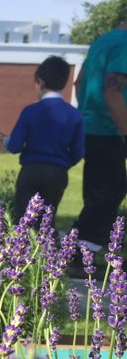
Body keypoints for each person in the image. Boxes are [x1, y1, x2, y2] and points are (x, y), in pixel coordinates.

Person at [5, 56, 84, 228]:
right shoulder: (74, 115)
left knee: (23, 221)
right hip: (57, 172)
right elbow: (78, 151)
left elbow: (15, 146)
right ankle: (46, 253)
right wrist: (63, 163)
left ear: (40, 81)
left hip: (31, 170)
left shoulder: (30, 111)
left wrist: (7, 142)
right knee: (47, 221)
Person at [70, 20, 127, 254]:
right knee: (107, 194)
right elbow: (112, 90)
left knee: (102, 192)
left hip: (91, 128)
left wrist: (85, 112)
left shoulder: (101, 42)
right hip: (109, 130)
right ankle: (80, 253)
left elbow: (79, 82)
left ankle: (82, 246)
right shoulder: (124, 44)